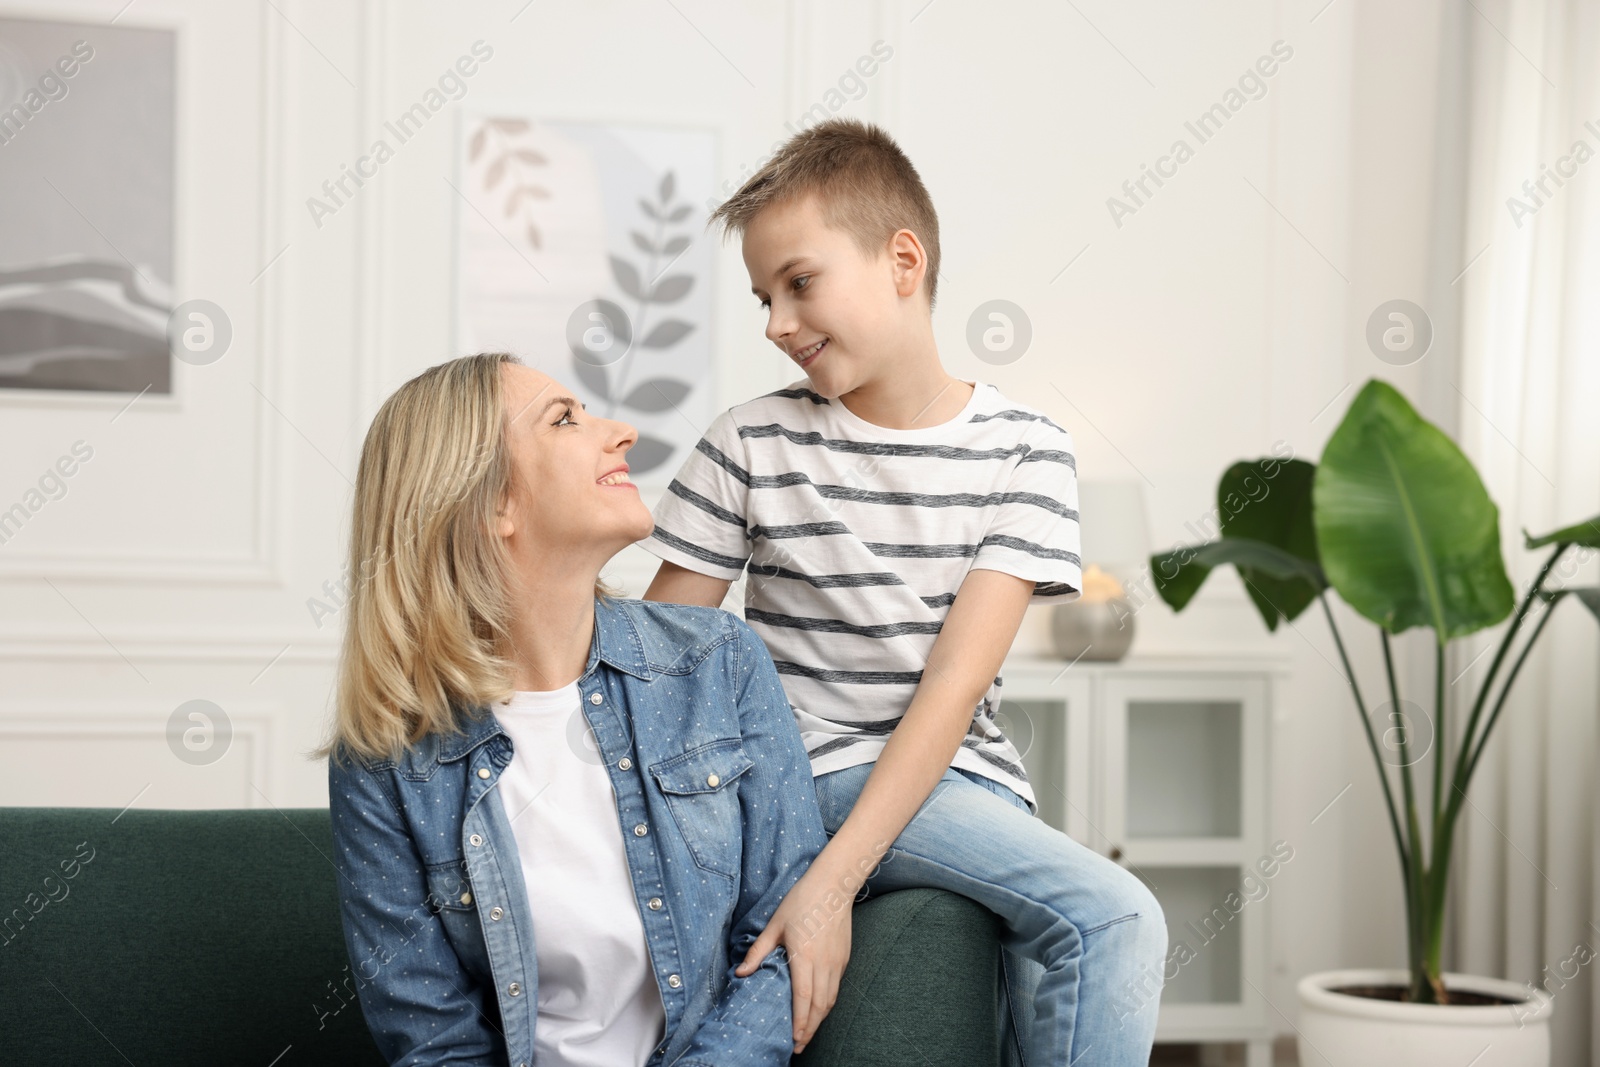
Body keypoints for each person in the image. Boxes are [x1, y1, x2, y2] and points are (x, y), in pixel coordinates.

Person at [639, 118, 1168, 1065]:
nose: (776, 323)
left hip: (970, 784)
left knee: (1040, 1000)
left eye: (800, 283)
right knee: (1116, 915)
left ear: (903, 260)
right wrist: (805, 877)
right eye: (763, 297)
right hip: (815, 772)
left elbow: (956, 686)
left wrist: (834, 886)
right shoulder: (750, 442)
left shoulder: (1027, 449)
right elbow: (661, 661)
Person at [315, 352, 828, 1067]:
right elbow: (433, 1041)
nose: (621, 433)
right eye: (566, 420)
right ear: (494, 502)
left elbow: (783, 938)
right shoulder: (383, 761)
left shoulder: (720, 662)